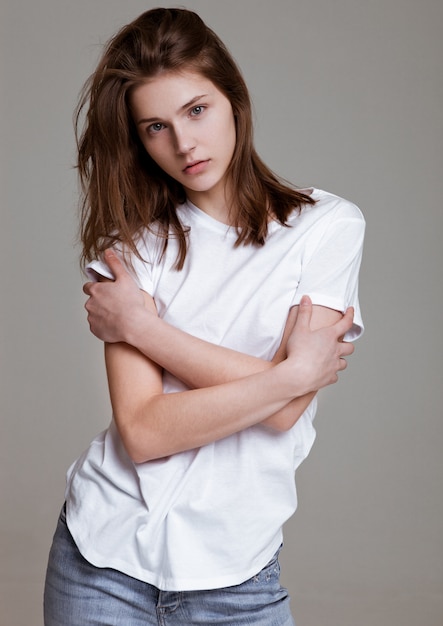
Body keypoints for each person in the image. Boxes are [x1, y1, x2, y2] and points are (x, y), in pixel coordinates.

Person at [44, 7, 365, 625]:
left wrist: (142, 328)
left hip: (238, 575)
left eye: (197, 110)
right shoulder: (133, 247)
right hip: (101, 563)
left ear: (234, 100)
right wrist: (289, 376)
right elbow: (143, 432)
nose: (184, 144)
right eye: (155, 127)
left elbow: (286, 415)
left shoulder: (327, 227)